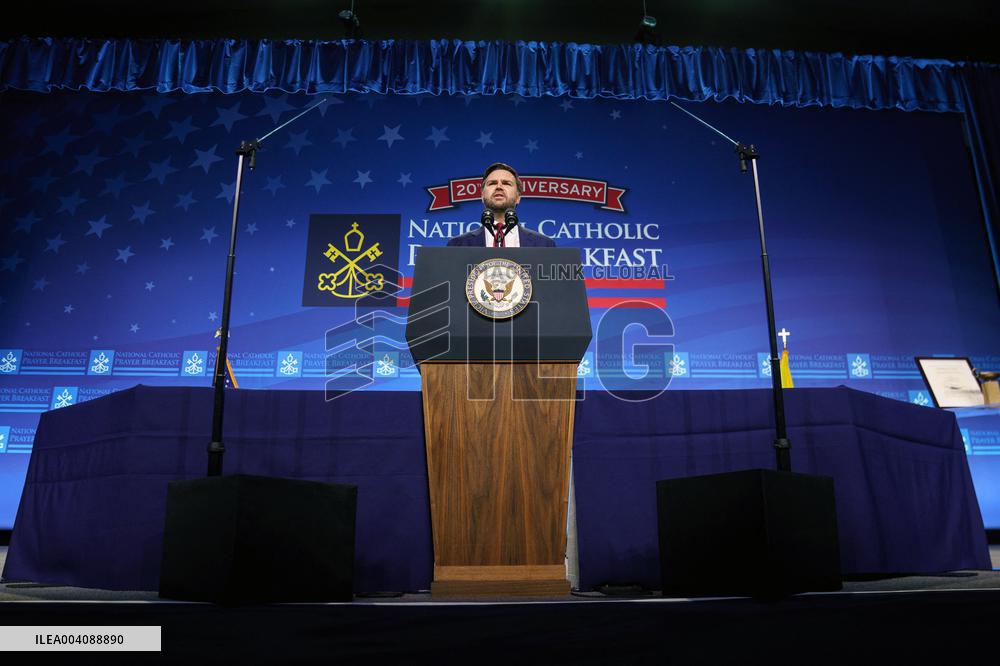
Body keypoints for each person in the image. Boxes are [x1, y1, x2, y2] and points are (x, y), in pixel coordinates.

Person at [447, 162, 556, 247]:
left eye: (506, 183)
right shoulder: (458, 244)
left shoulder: (544, 245)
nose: (499, 187)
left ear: (518, 197)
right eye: (492, 183)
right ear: (482, 196)